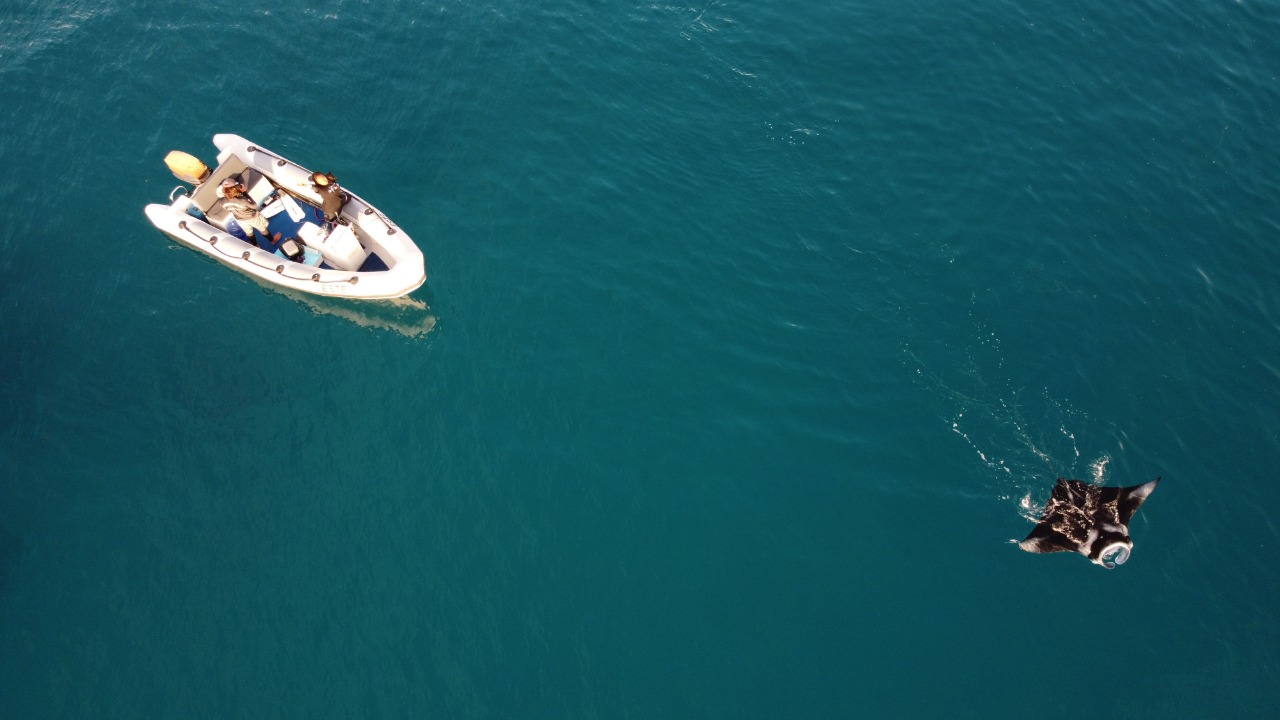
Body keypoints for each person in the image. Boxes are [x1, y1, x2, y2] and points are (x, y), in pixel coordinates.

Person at [218, 177, 280, 247]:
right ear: (235, 189)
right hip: (253, 218)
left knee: (249, 233)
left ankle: (255, 245)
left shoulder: (221, 202)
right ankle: (272, 240)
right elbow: (254, 206)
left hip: (240, 220)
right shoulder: (243, 200)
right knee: (263, 229)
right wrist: (245, 192)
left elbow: (227, 207)